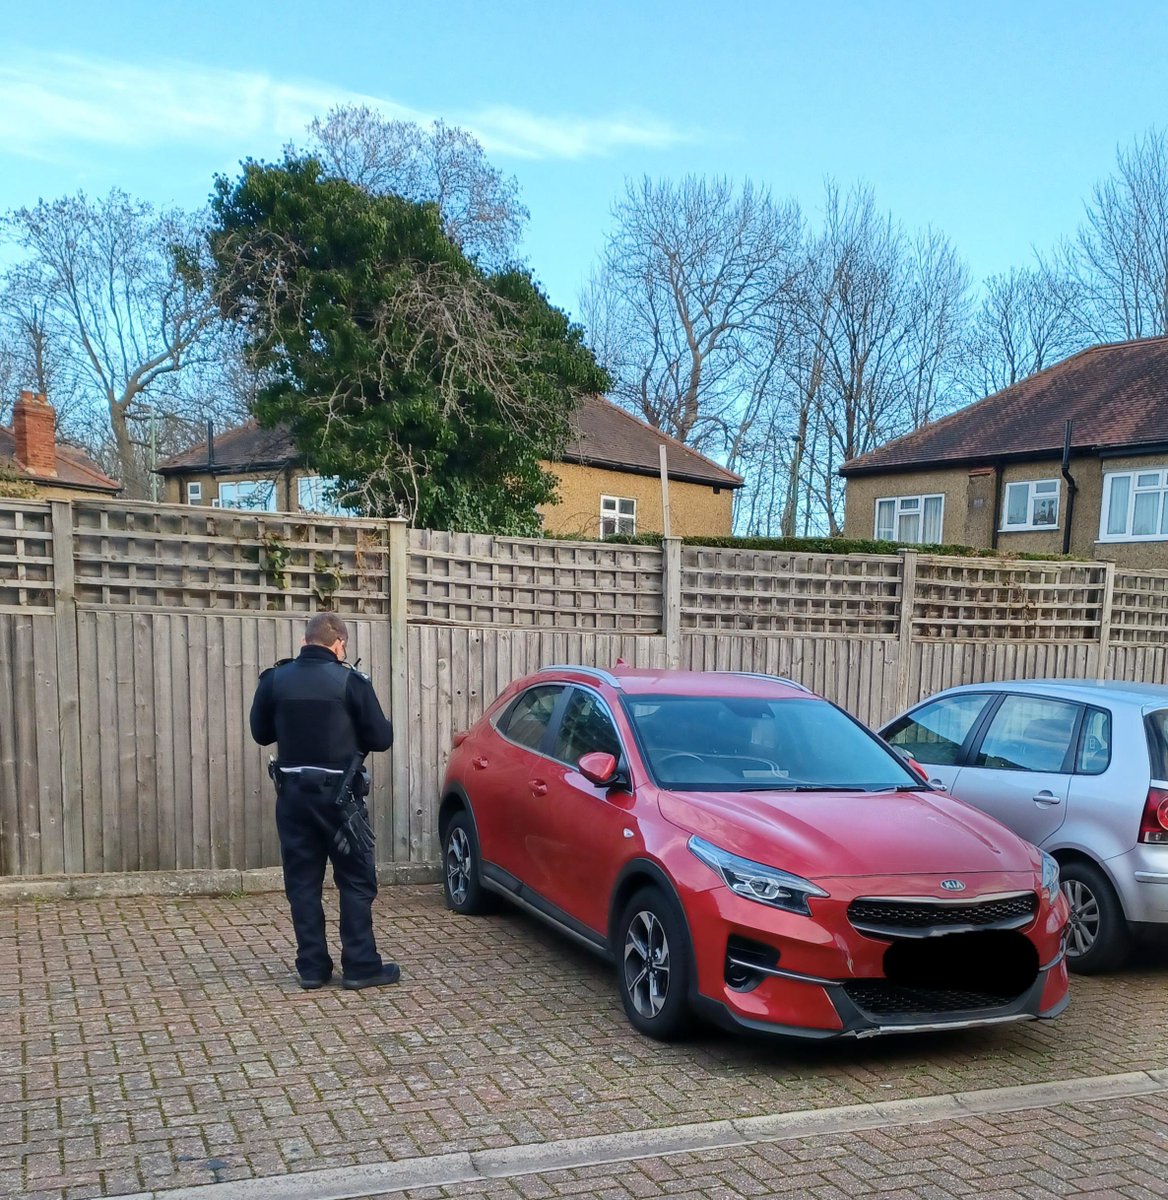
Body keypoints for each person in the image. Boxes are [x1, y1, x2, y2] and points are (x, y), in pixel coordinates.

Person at [250, 612, 399, 990]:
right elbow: (381, 738)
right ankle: (361, 965)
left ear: (305, 642)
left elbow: (260, 733)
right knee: (355, 879)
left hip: (293, 797)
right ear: (339, 645)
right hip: (340, 801)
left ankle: (312, 968)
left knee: (302, 882)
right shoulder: (351, 681)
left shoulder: (274, 680)